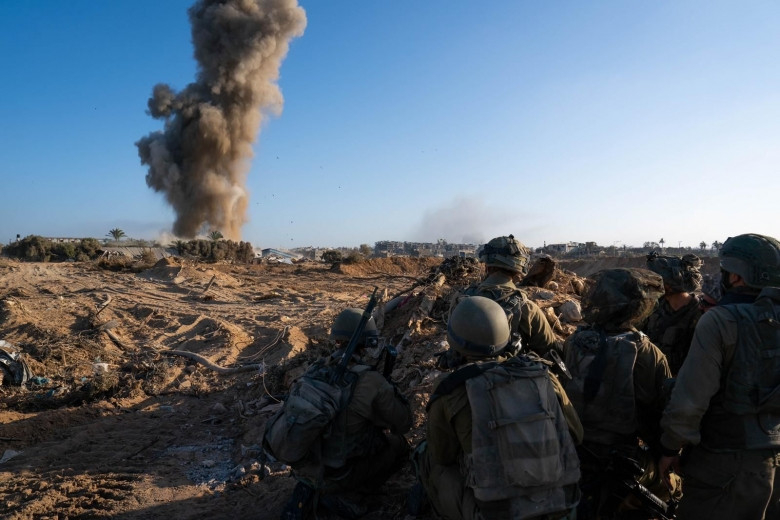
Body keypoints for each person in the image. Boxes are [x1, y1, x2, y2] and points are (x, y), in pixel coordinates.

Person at [414, 295, 583, 520]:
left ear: (455, 343)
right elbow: (576, 435)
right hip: (559, 506)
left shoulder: (452, 390)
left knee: (428, 459)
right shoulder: (543, 375)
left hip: (497, 513)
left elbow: (442, 455)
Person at [659, 233, 780, 519]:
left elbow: (691, 399)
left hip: (725, 462)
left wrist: (670, 446)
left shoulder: (721, 320)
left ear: (736, 276)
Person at [561, 268, 674, 519]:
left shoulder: (575, 341)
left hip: (572, 451)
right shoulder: (646, 351)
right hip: (619, 458)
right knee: (673, 488)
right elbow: (660, 412)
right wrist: (667, 453)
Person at [279, 308, 413, 520]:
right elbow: (403, 423)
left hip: (306, 467)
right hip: (339, 474)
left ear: (337, 339)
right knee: (398, 445)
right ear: (368, 344)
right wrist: (387, 389)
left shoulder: (316, 368)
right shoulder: (370, 381)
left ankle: (315, 489)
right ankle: (350, 495)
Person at [461, 234, 561, 358]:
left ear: (487, 266)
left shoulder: (462, 298)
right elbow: (551, 352)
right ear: (518, 270)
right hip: (506, 369)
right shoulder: (528, 308)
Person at [642, 252, 704, 375]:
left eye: (656, 282)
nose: (651, 285)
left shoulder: (700, 315)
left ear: (669, 285)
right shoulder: (654, 308)